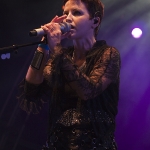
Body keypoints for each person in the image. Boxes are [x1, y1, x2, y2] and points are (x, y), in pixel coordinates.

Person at [18, 0, 121, 149]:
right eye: (65, 13)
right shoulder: (61, 57)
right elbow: (31, 91)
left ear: (95, 21)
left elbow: (88, 90)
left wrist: (57, 49)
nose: (67, 18)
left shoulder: (108, 53)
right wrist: (43, 45)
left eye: (76, 12)